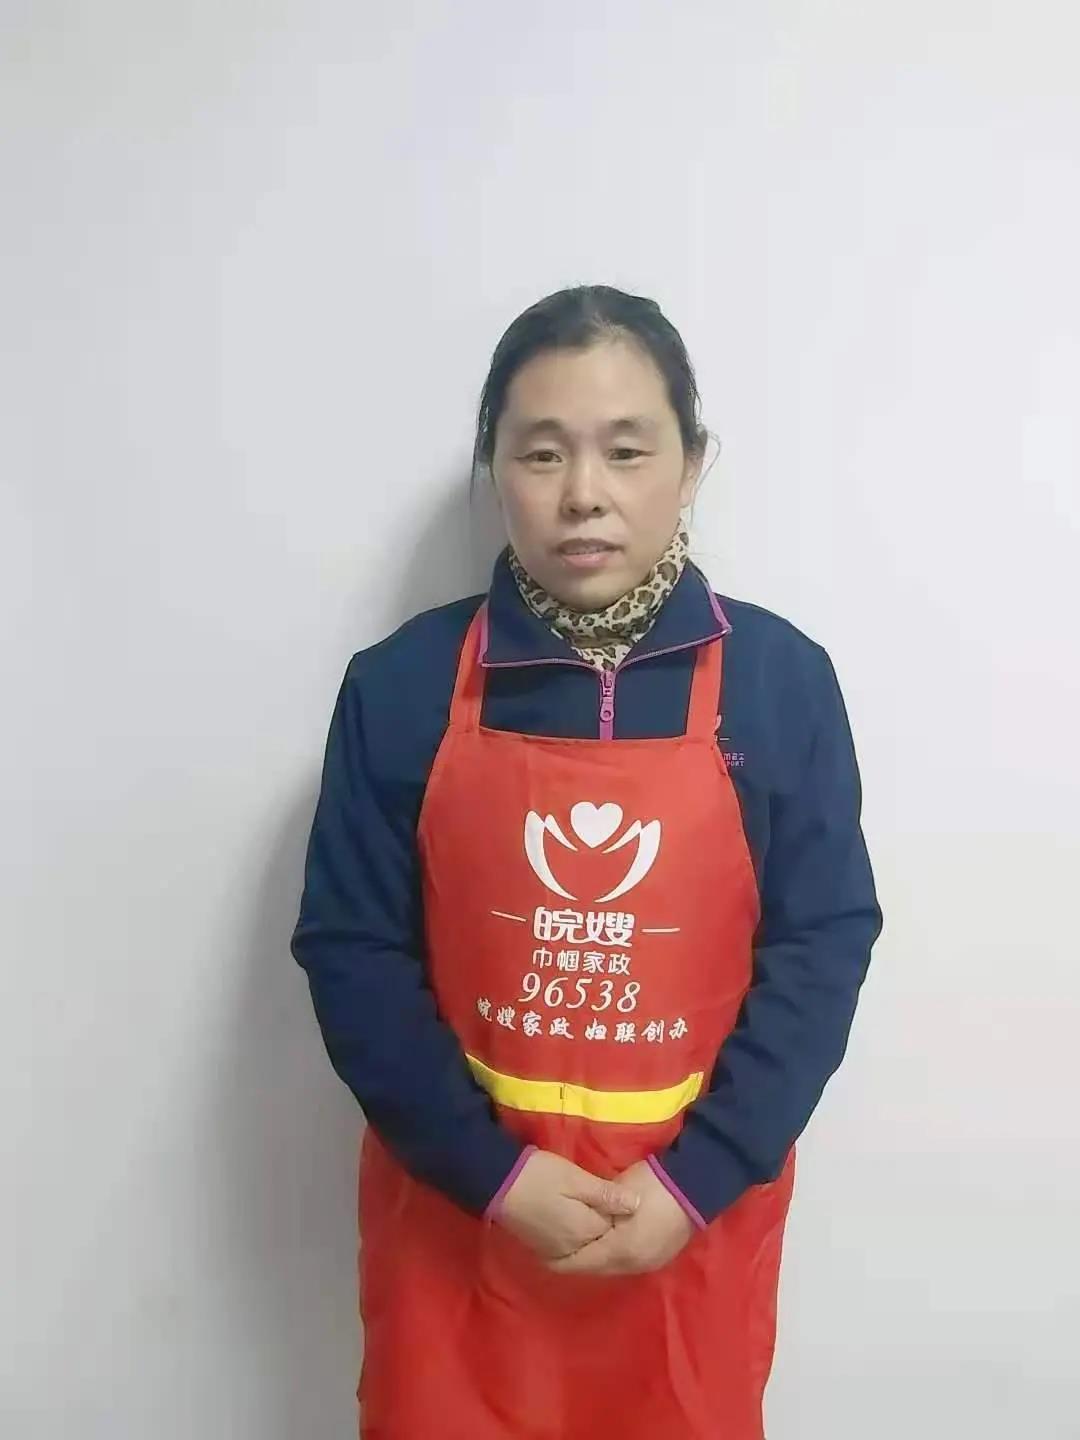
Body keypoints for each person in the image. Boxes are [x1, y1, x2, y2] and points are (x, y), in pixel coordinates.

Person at [290, 284, 883, 1440]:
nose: (583, 494)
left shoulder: (779, 683)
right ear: (495, 468)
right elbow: (351, 951)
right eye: (541, 452)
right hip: (460, 1229)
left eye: (627, 449)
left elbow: (823, 945)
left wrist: (696, 1181)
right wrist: (495, 1176)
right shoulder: (402, 687)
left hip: (686, 1231)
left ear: (692, 463)